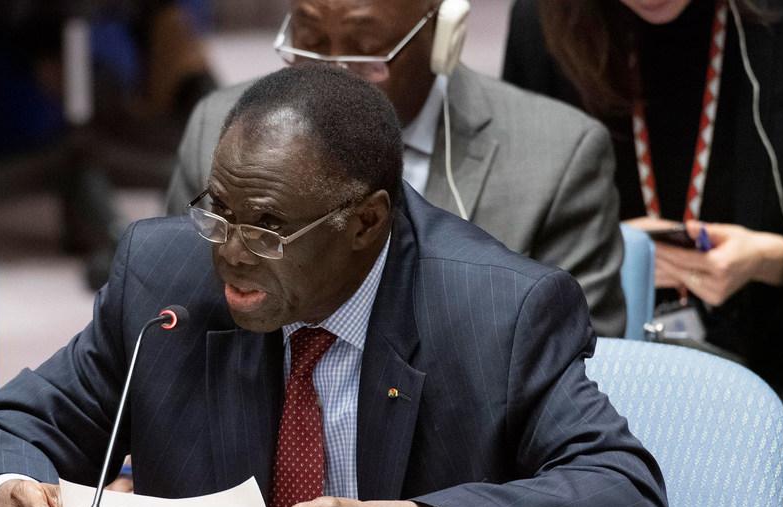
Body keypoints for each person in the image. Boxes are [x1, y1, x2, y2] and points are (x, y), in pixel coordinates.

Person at [0, 64, 669, 507]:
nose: (230, 252)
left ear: (365, 221)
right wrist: (6, 493)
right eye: (217, 211)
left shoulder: (495, 312)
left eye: (268, 228)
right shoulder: (165, 280)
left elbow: (622, 493)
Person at [166, 0, 629, 338]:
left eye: (367, 51)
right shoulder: (222, 128)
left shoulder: (557, 156)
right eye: (309, 43)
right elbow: (179, 317)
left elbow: (582, 361)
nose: (334, 76)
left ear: (444, 35)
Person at [503, 0, 783, 397]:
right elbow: (508, 256)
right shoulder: (543, 24)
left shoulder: (779, 25)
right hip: (592, 385)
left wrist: (773, 259)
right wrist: (594, 248)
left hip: (776, 377)